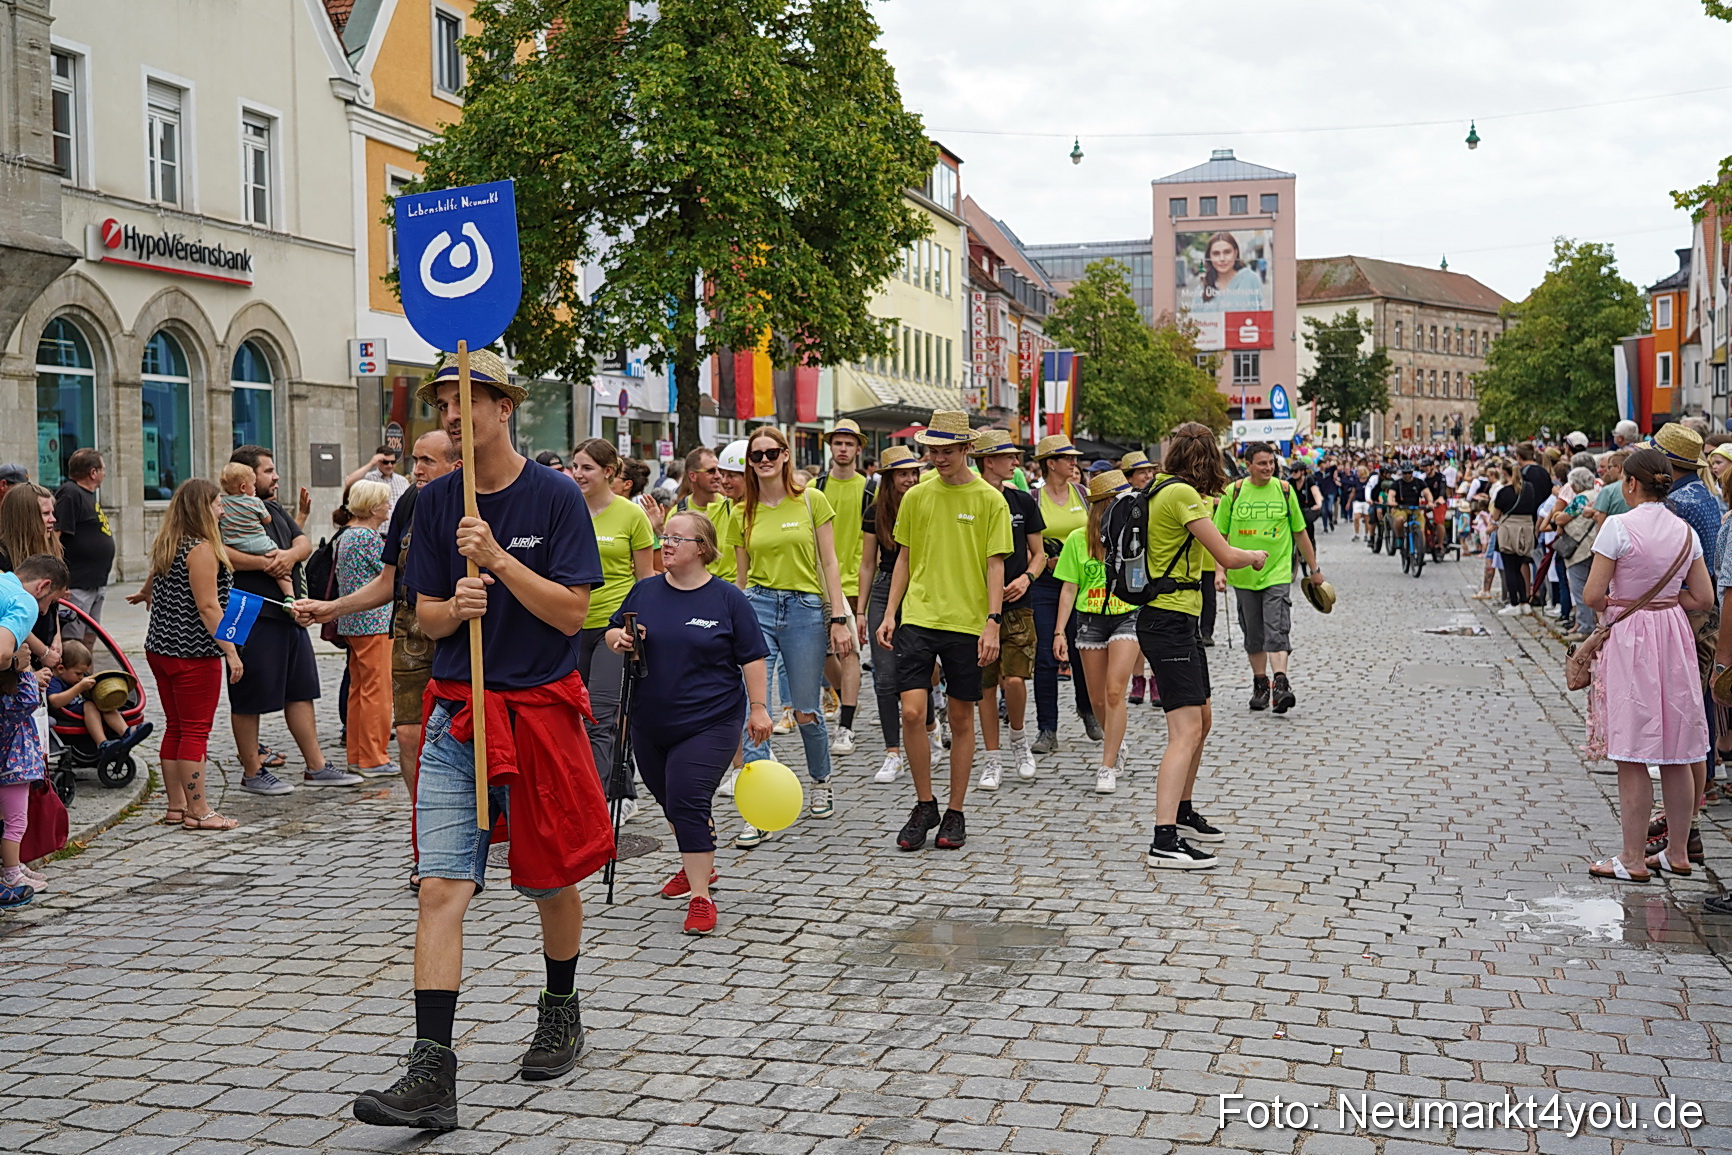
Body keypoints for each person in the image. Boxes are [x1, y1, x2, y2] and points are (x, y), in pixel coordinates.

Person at [352, 348, 611, 1130]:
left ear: (507, 408)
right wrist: (454, 603)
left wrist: (497, 561)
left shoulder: (555, 497)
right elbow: (425, 616)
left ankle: (560, 1004)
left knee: (547, 875)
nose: (455, 417)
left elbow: (572, 613)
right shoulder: (435, 505)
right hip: (455, 717)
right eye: (443, 405)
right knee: (441, 885)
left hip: (538, 711)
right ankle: (432, 1069)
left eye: (472, 401)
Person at [606, 511, 771, 936]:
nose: (666, 544)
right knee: (668, 798)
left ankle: (700, 895)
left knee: (686, 797)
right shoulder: (644, 592)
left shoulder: (727, 599)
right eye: (664, 537)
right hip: (650, 719)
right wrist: (619, 640)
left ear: (702, 548)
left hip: (711, 719)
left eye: (677, 538)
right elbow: (611, 633)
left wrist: (758, 707)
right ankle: (696, 858)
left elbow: (752, 655)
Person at [296, 431, 460, 812]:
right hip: (409, 630)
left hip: (463, 632)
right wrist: (330, 608)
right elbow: (387, 581)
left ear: (457, 466)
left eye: (426, 461)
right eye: (413, 460)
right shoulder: (409, 503)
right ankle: (427, 828)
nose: (415, 470)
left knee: (462, 735)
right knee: (407, 734)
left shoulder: (475, 503)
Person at [877, 411, 1013, 852]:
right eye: (932, 450)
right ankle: (924, 803)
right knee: (913, 712)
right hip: (919, 616)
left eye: (946, 451)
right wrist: (889, 613)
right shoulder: (917, 495)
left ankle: (955, 809)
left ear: (966, 450)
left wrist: (992, 621)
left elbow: (997, 565)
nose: (937, 458)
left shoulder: (990, 500)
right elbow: (903, 557)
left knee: (960, 717)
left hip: (968, 621)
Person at [1137, 423, 1268, 869]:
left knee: (1203, 718)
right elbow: (1227, 555)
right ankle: (1164, 838)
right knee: (1185, 731)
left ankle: (1182, 809)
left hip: (1178, 619)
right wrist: (1253, 556)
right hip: (1169, 619)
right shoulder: (1180, 496)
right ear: (1207, 458)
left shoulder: (1163, 490)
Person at [1581, 448, 1714, 882]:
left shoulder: (1618, 527)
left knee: (1632, 750)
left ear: (1631, 484)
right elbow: (1704, 597)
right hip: (1673, 634)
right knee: (1679, 747)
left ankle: (1633, 858)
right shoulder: (1684, 531)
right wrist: (1668, 603)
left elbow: (1593, 594)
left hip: (1630, 635)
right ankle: (1677, 852)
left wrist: (1627, 605)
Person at [725, 428, 852, 844]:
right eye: (756, 454)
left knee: (804, 711)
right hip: (758, 606)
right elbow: (741, 578)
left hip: (805, 609)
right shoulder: (743, 510)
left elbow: (829, 562)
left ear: (785, 456)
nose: (763, 460)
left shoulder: (812, 499)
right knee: (754, 709)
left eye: (771, 453)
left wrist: (837, 615)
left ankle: (821, 780)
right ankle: (758, 809)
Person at [227, 445, 352, 793]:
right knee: (248, 693)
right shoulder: (228, 510)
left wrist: (288, 556)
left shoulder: (273, 509)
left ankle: (317, 766)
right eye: (268, 471)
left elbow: (303, 543)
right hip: (249, 611)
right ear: (247, 478)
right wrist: (267, 563)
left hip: (287, 613)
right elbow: (220, 553)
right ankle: (253, 772)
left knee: (300, 690)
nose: (276, 476)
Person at [134, 481, 243, 831]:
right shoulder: (202, 550)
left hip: (161, 648)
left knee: (176, 727)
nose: (222, 510)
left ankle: (176, 807)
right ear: (201, 509)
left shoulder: (169, 543)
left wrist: (145, 593)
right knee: (195, 730)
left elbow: (154, 578)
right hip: (193, 651)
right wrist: (231, 651)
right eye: (217, 504)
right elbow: (209, 607)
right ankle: (200, 810)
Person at [569, 438, 656, 816]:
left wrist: (637, 628)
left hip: (613, 629)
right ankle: (613, 788)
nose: (577, 474)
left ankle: (599, 803)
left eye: (586, 467)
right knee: (572, 716)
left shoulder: (631, 515)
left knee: (602, 717)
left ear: (609, 472)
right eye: (575, 466)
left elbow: (645, 577)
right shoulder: (566, 509)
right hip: (568, 626)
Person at [1215, 443, 1324, 714]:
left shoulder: (1284, 491)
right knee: (1253, 633)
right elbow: (1220, 536)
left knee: (1276, 627)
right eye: (1261, 463)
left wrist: (1314, 569)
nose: (1268, 468)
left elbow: (1300, 532)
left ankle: (1281, 684)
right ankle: (1260, 683)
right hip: (1243, 575)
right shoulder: (1234, 492)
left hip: (1277, 572)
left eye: (1271, 463)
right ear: (1248, 465)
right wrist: (1220, 571)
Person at [1053, 469, 1143, 793]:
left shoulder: (1135, 535)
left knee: (1115, 690)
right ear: (1103, 504)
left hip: (1126, 616)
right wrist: (1059, 632)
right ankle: (1116, 743)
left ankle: (1107, 765)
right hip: (1089, 619)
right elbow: (1068, 589)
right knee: (1096, 699)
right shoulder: (1078, 539)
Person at [970, 431, 1044, 789]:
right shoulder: (968, 501)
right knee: (984, 684)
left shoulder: (1022, 501)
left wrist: (1027, 578)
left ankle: (1018, 739)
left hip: (1018, 603)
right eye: (1009, 456)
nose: (1016, 462)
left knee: (1014, 679)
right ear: (989, 461)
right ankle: (992, 758)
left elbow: (1040, 553)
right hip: (975, 605)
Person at [0, 554, 70, 905]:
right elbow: (1, 653)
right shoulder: (23, 600)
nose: (46, 613)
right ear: (43, 587)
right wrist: (18, 663)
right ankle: (8, 876)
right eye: (51, 602)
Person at [1028, 435, 1099, 754]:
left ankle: (1088, 710)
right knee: (1045, 655)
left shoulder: (1083, 494)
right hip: (1044, 584)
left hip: (1082, 582)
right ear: (1050, 463)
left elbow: (1094, 533)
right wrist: (1044, 559)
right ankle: (1047, 728)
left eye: (1075, 458)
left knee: (1082, 650)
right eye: (1067, 458)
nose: (1074, 463)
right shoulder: (1033, 497)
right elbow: (1026, 541)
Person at [859, 447, 926, 785]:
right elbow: (868, 562)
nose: (910, 479)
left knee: (921, 666)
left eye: (914, 473)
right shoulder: (874, 512)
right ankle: (892, 752)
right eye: (903, 474)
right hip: (885, 587)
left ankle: (929, 724)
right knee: (884, 676)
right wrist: (861, 609)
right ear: (888, 478)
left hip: (922, 585)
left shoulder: (928, 503)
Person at [332, 480, 395, 778]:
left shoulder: (347, 535)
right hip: (374, 622)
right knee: (377, 691)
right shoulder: (368, 538)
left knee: (359, 689)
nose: (388, 507)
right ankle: (373, 756)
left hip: (355, 622)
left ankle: (358, 755)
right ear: (372, 508)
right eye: (384, 502)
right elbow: (391, 575)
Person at [813, 420, 869, 757]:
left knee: (850, 654)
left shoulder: (869, 489)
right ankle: (847, 695)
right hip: (818, 584)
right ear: (830, 447)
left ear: (859, 449)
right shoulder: (816, 488)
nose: (843, 449)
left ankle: (845, 726)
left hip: (854, 582)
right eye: (838, 443)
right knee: (820, 654)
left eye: (849, 444)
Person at [52, 448, 113, 642]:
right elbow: (55, 536)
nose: (104, 473)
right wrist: (61, 580)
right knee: (72, 644)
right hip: (77, 585)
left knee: (88, 641)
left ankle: (87, 674)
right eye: (102, 468)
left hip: (94, 583)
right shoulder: (70, 493)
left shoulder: (87, 496)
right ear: (93, 472)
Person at [46, 639, 149, 753]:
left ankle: (126, 732)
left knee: (106, 704)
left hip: (84, 710)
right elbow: (55, 702)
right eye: (78, 673)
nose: (81, 677)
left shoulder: (73, 679)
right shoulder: (54, 681)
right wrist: (80, 687)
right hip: (68, 715)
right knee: (90, 705)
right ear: (61, 669)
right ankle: (102, 743)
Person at [217, 462, 295, 602]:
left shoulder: (222, 503)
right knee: (278, 563)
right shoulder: (255, 502)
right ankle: (289, 595)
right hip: (259, 543)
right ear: (243, 487)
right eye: (253, 485)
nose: (255, 488)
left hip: (234, 544)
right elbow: (267, 520)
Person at [1188, 232, 1265, 312]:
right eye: (1216, 254)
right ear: (1209, 257)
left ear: (1235, 253)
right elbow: (1195, 321)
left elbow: (1261, 315)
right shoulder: (1202, 288)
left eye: (1227, 252)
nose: (1222, 258)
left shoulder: (1250, 279)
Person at [345, 445, 411, 518]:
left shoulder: (403, 481)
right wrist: (371, 464)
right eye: (385, 462)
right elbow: (349, 482)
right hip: (375, 527)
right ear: (378, 462)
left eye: (393, 462)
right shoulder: (368, 478)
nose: (390, 465)